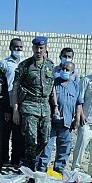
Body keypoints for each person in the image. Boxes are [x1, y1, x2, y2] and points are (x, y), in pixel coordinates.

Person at [12, 36, 55, 170]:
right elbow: (15, 88)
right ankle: (31, 169)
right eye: (36, 48)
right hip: (29, 106)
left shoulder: (50, 65)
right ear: (32, 48)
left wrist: (56, 106)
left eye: (41, 48)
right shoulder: (25, 65)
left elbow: (52, 87)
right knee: (31, 140)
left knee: (45, 140)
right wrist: (15, 109)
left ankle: (27, 161)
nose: (38, 50)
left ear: (45, 49)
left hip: (45, 107)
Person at [39, 61, 82, 172]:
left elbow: (79, 103)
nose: (64, 71)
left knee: (64, 148)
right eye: (63, 69)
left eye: (68, 70)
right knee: (46, 147)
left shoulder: (75, 85)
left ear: (72, 72)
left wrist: (77, 119)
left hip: (66, 123)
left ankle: (58, 170)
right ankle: (41, 169)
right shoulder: (53, 83)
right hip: (51, 122)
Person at [0, 38, 24, 167]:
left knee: (18, 135)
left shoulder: (25, 63)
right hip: (7, 102)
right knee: (5, 134)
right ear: (10, 48)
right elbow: (1, 86)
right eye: (16, 47)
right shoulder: (4, 64)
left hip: (20, 103)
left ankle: (15, 159)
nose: (18, 49)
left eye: (20, 47)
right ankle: (3, 158)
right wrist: (6, 109)